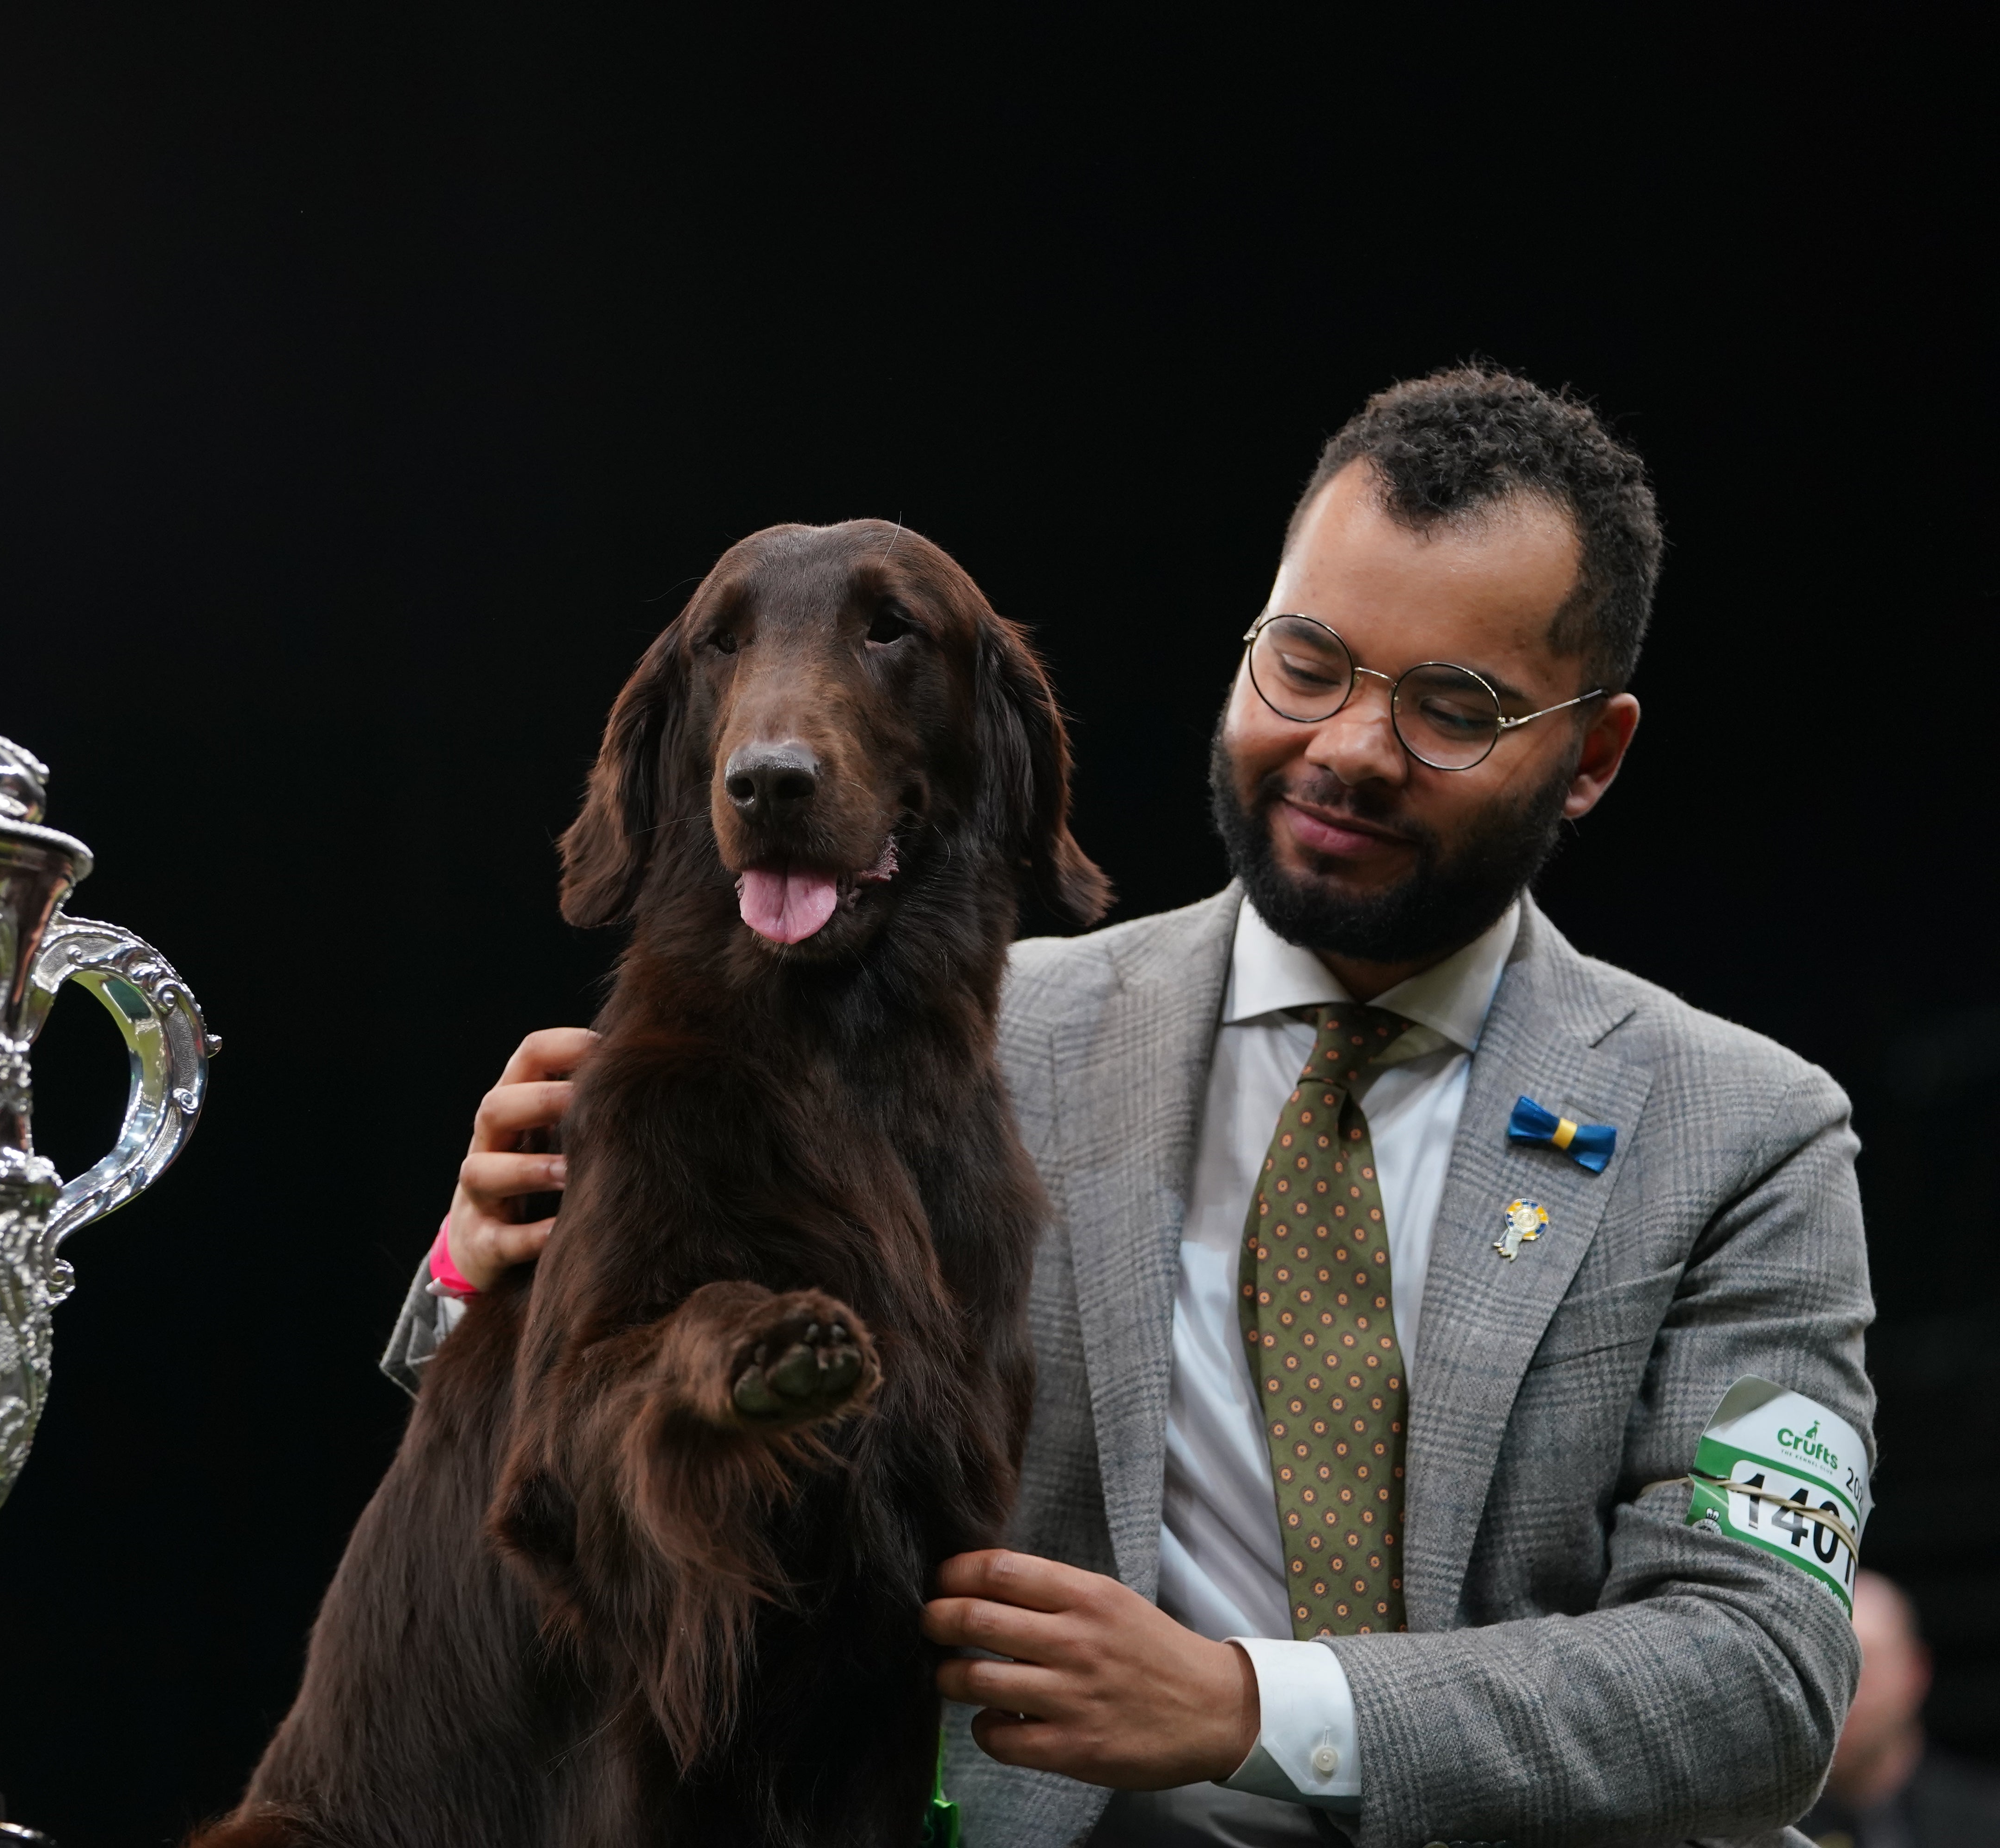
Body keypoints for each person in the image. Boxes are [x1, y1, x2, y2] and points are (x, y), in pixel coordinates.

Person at [388, 367, 1875, 1845]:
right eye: (1306, 663)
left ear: (1590, 756)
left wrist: (1247, 1704)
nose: (1347, 748)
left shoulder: (1744, 1134)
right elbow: (617, 1454)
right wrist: (477, 1273)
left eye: (1451, 709)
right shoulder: (970, 1041)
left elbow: (1756, 1675)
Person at [1797, 1573, 2000, 1848]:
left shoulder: (1985, 1822)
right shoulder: (1751, 1831)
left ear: (1916, 1671)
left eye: (1864, 1665)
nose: (1841, 1691)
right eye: (1821, 1667)